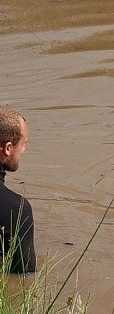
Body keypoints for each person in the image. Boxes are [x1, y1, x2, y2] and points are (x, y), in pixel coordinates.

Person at [0, 106, 36, 273]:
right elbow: (23, 278)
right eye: (23, 144)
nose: (24, 150)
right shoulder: (16, 208)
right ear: (8, 148)